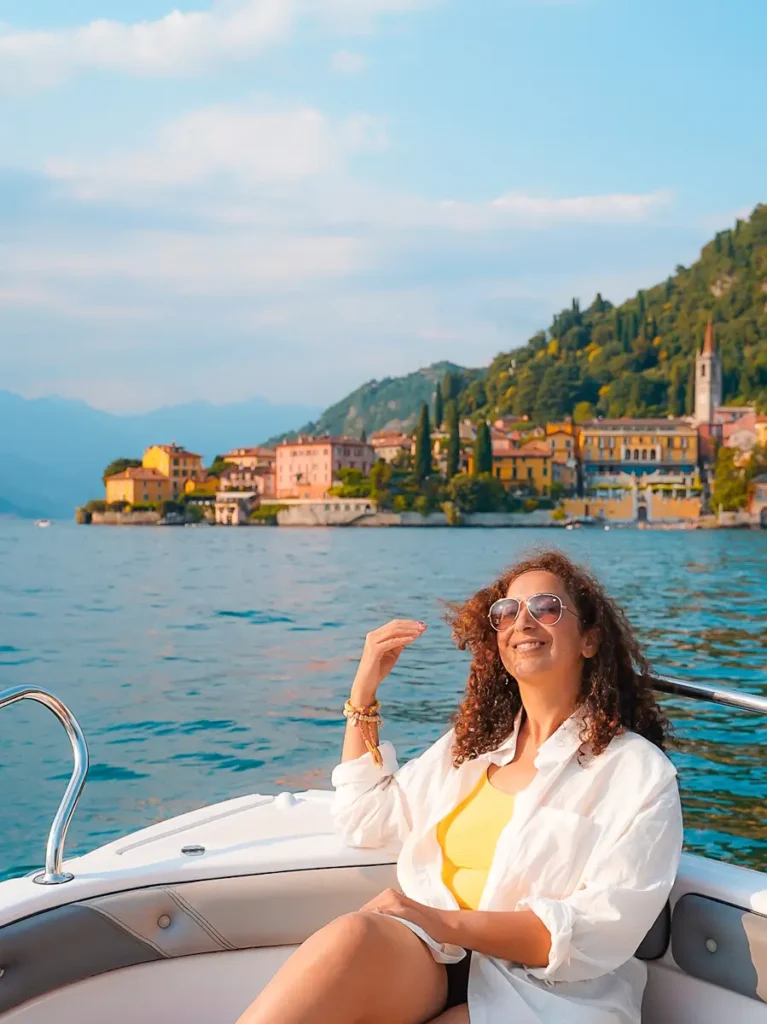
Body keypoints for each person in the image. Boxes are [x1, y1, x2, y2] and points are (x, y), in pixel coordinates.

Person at [236, 549, 683, 1024]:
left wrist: (438, 919)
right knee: (354, 936)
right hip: (439, 956)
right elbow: (365, 817)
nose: (523, 622)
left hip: (547, 992)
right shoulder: (470, 748)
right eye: (507, 612)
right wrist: (363, 692)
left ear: (589, 639)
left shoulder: (637, 773)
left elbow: (599, 932)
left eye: (546, 608)